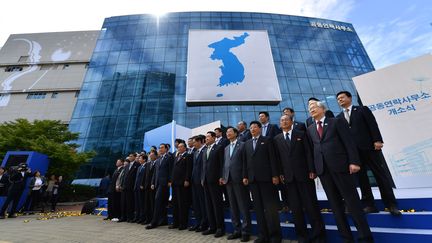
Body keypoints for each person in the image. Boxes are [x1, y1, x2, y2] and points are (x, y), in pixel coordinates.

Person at [306, 101, 373, 243]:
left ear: (323, 109)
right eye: (309, 108)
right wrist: (314, 169)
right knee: (335, 206)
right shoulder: (310, 129)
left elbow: (349, 142)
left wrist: (354, 161)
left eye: (314, 107)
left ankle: (364, 237)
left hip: (341, 167)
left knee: (352, 202)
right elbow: (313, 150)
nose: (311, 109)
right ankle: (346, 238)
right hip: (324, 171)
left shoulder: (336, 122)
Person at [336, 91, 400, 215]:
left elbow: (372, 124)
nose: (340, 100)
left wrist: (377, 140)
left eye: (342, 97)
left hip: (370, 148)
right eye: (338, 99)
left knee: (380, 175)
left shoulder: (362, 110)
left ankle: (391, 204)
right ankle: (369, 205)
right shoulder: (339, 117)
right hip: (354, 154)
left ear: (349, 98)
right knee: (362, 179)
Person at [274, 115, 325, 243]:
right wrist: (280, 173)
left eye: (286, 119)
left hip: (304, 176)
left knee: (311, 206)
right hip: (289, 178)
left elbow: (308, 152)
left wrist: (312, 170)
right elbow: (277, 159)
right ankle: (302, 236)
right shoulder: (277, 138)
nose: (284, 121)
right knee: (296, 209)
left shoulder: (301, 134)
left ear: (292, 122)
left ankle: (319, 236)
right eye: (281, 120)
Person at [243, 121, 282, 243]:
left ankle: (275, 236)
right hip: (253, 180)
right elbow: (245, 162)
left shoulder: (268, 140)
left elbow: (273, 158)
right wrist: (245, 176)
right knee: (258, 209)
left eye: (255, 127)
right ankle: (263, 235)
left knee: (270, 209)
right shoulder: (247, 144)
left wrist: (275, 175)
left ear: (260, 129)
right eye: (251, 128)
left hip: (267, 179)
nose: (252, 129)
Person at [221, 127, 251, 242]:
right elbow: (225, 165)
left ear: (236, 133)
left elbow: (245, 162)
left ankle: (246, 232)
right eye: (227, 132)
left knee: (243, 206)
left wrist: (245, 176)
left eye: (230, 132)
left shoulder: (242, 145)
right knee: (233, 207)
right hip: (228, 181)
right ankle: (237, 230)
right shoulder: (226, 148)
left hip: (239, 180)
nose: (228, 134)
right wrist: (223, 177)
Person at [201, 131, 225, 238]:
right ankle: (212, 227)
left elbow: (222, 164)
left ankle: (220, 228)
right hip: (205, 181)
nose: (206, 138)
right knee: (209, 205)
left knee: (216, 205)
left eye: (208, 137)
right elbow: (203, 166)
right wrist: (202, 178)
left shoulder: (219, 148)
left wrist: (221, 176)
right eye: (205, 137)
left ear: (214, 138)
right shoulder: (205, 149)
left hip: (215, 180)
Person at [146, 144, 173, 229]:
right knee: (161, 203)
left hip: (165, 184)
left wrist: (170, 181)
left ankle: (154, 222)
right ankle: (163, 220)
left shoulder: (169, 157)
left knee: (157, 201)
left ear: (166, 149)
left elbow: (171, 170)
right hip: (158, 184)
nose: (160, 149)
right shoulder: (158, 159)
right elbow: (155, 173)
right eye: (159, 148)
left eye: (162, 148)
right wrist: (153, 182)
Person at [171, 142, 193, 230]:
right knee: (175, 204)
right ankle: (175, 223)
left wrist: (187, 179)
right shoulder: (177, 157)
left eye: (180, 147)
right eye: (178, 147)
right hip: (175, 183)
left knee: (182, 204)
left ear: (185, 148)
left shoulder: (188, 156)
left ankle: (183, 224)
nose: (178, 148)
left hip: (182, 183)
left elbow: (189, 169)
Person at [189, 135, 208, 232]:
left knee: (202, 203)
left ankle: (204, 223)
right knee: (196, 204)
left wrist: (202, 179)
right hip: (194, 181)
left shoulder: (205, 150)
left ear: (200, 141)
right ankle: (198, 222)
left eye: (194, 142)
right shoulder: (195, 152)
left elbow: (204, 167)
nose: (193, 143)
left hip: (201, 181)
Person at [120, 153, 140, 222]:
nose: (130, 157)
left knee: (130, 203)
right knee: (123, 202)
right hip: (124, 187)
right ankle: (123, 217)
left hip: (131, 187)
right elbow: (124, 176)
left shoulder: (137, 165)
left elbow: (137, 177)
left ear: (135, 157)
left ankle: (130, 217)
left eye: (131, 156)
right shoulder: (127, 165)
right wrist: (122, 185)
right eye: (129, 156)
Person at [143, 151, 157, 225]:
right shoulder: (148, 164)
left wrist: (153, 183)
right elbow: (145, 175)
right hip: (146, 186)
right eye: (150, 156)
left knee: (152, 204)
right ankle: (147, 219)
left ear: (155, 156)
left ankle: (153, 219)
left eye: (152, 156)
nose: (150, 157)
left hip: (153, 186)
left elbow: (155, 175)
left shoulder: (157, 163)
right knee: (147, 204)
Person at [133, 154, 148, 223]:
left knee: (142, 204)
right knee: (137, 204)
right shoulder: (139, 167)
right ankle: (137, 217)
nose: (139, 159)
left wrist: (143, 185)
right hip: (136, 187)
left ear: (144, 159)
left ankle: (143, 218)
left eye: (140, 158)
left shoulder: (146, 166)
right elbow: (136, 178)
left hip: (142, 188)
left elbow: (146, 177)